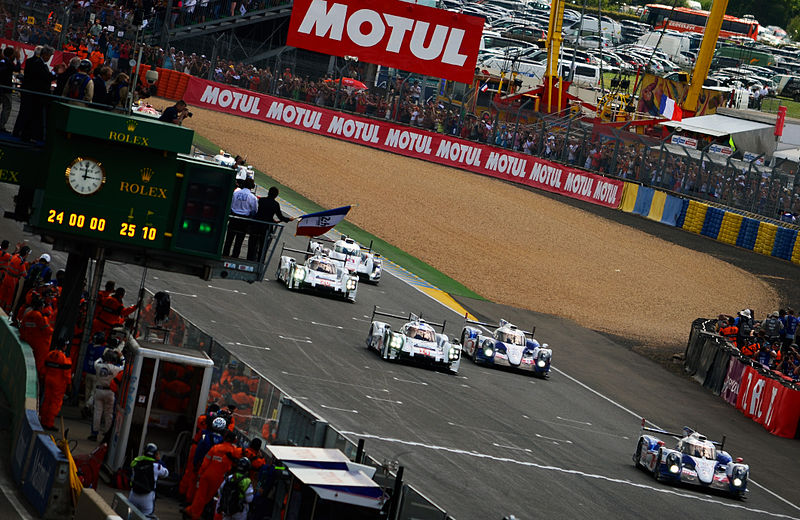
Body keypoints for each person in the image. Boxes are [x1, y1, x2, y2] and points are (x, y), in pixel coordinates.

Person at [184, 430, 239, 520]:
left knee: (200, 495)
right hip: (219, 479)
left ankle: (192, 512)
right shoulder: (234, 451)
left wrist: (200, 473)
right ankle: (194, 513)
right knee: (208, 498)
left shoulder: (216, 448)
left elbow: (206, 462)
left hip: (207, 475)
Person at [13, 45, 54, 142]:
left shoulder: (31, 62)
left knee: (24, 113)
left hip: (29, 91)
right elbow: (44, 77)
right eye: (49, 56)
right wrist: (54, 74)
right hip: (34, 94)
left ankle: (19, 131)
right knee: (30, 115)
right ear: (45, 55)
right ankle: (26, 135)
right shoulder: (39, 64)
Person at [248, 187, 295, 261]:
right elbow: (280, 217)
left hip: (256, 226)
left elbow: (257, 212)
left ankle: (249, 259)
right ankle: (260, 261)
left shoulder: (261, 200)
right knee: (263, 247)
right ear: (276, 195)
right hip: (266, 228)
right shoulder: (275, 204)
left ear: (268, 192)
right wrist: (289, 219)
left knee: (252, 244)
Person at [89, 348, 123, 441]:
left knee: (97, 413)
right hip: (110, 392)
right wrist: (121, 357)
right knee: (109, 414)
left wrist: (103, 356)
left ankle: (94, 434)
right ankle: (107, 435)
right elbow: (124, 366)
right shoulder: (116, 369)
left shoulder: (98, 366)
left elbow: (97, 361)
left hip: (99, 391)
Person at [129, 443, 169, 518]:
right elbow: (166, 473)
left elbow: (136, 462)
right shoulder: (157, 466)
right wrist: (159, 460)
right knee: (146, 517)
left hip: (133, 495)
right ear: (155, 454)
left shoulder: (135, 462)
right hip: (147, 498)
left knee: (129, 516)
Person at [39, 340, 72, 431]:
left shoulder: (50, 354)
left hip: (48, 380)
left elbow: (43, 368)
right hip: (58, 383)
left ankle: (43, 420)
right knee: (55, 403)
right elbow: (67, 373)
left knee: (47, 400)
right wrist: (69, 384)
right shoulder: (64, 358)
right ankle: (49, 423)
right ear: (64, 346)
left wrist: (43, 377)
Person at [224, 178, 258, 258]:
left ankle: (225, 254)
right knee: (239, 241)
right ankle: (235, 256)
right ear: (252, 186)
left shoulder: (235, 193)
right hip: (244, 220)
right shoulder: (253, 198)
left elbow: (230, 205)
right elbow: (254, 211)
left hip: (233, 217)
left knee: (229, 239)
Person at [0, 46, 21, 133]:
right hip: (6, 88)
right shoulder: (8, 62)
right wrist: (18, 59)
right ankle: (1, 125)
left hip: (2, 87)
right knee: (7, 107)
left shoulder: (3, 61)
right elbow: (17, 69)